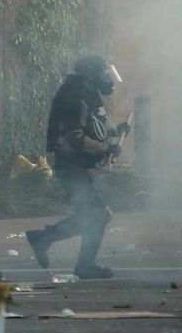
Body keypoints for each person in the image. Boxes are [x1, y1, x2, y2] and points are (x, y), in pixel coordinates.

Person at [26, 56, 126, 279]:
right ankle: (53, 244)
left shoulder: (84, 94)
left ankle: (56, 246)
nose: (106, 78)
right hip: (70, 166)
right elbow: (76, 139)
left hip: (76, 166)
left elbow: (95, 129)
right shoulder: (76, 98)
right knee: (99, 215)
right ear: (90, 74)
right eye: (102, 73)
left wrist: (116, 133)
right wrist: (107, 149)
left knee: (94, 215)